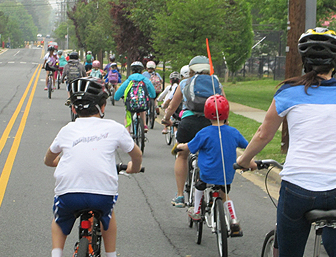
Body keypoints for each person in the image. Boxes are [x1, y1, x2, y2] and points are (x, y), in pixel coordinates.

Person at [236, 27, 336, 257]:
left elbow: (264, 133)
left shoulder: (288, 92)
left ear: (304, 60)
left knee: (290, 245)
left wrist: (244, 159)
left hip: (300, 190)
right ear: (335, 61)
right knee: (333, 218)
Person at [44, 77, 142, 257]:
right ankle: (111, 255)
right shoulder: (115, 128)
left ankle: (56, 254)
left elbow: (48, 159)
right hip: (102, 195)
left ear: (73, 109)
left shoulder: (67, 130)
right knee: (108, 215)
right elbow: (137, 155)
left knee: (59, 221)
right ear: (102, 107)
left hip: (69, 194)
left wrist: (59, 162)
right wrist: (133, 167)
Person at [176, 95, 247, 237]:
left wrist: (181, 146)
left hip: (207, 174)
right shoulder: (234, 132)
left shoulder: (204, 133)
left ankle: (196, 211)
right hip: (227, 175)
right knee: (224, 194)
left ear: (207, 114)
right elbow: (247, 146)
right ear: (227, 113)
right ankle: (233, 220)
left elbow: (190, 147)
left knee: (199, 186)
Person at [161, 55, 224, 208]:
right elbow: (223, 104)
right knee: (215, 156)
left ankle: (180, 195)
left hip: (189, 123)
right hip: (211, 124)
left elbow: (172, 106)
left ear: (190, 70)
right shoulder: (216, 83)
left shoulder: (184, 83)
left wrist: (166, 119)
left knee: (182, 155)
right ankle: (219, 196)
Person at [114, 61, 156, 133]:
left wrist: (116, 98)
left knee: (127, 114)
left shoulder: (129, 80)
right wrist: (152, 96)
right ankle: (144, 125)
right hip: (142, 102)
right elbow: (152, 90)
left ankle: (127, 131)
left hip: (131, 102)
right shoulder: (145, 80)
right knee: (142, 109)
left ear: (132, 71)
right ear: (142, 71)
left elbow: (120, 90)